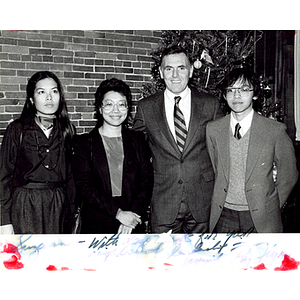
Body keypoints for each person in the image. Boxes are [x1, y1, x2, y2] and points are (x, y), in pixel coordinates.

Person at [133, 45, 223, 233]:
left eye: (181, 68)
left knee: (202, 260)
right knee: (164, 261)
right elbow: (137, 154)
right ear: (160, 72)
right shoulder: (146, 107)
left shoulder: (210, 104)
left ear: (190, 70)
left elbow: (222, 152)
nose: (175, 75)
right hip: (164, 201)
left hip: (203, 202)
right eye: (169, 68)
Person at [206, 67, 299, 233]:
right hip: (224, 215)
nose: (236, 96)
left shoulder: (274, 130)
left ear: (255, 94)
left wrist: (271, 205)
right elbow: (216, 168)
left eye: (244, 90)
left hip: (261, 217)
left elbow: (289, 174)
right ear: (224, 95)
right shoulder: (213, 129)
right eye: (231, 90)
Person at [71, 78, 153, 234]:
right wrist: (119, 214)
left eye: (121, 104)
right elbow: (85, 187)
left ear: (128, 108)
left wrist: (131, 219)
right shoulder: (83, 143)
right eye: (109, 104)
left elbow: (146, 182)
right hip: (97, 224)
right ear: (100, 109)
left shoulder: (138, 140)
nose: (116, 111)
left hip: (133, 223)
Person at [0, 71, 76, 234]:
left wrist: (71, 213)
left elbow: (70, 177)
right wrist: (4, 220)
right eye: (42, 92)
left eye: (54, 91)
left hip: (57, 205)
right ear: (32, 99)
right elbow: (4, 177)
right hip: (26, 205)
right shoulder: (17, 130)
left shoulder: (67, 131)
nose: (49, 98)